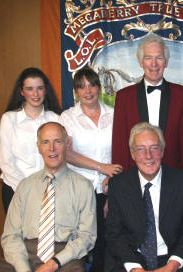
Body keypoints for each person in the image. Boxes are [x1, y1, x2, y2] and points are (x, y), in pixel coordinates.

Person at [0, 122, 96, 272]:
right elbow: (11, 235)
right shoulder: (24, 186)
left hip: (66, 256)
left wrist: (54, 262)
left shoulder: (83, 187)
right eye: (46, 142)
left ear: (66, 144)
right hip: (25, 253)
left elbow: (87, 237)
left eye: (58, 141)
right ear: (39, 147)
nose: (52, 148)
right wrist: (23, 269)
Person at [106, 122, 183, 272]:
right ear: (132, 154)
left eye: (154, 148)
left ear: (162, 151)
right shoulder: (118, 185)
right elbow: (114, 234)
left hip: (172, 257)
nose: (148, 156)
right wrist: (134, 267)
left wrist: (172, 265)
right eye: (141, 149)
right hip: (133, 258)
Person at [59, 66, 122, 272]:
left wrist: (112, 182)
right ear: (76, 91)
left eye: (92, 85)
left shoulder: (114, 114)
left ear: (99, 87)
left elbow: (122, 151)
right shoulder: (67, 117)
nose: (88, 91)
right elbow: (66, 154)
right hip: (79, 189)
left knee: (106, 240)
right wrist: (102, 167)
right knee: (80, 241)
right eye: (82, 87)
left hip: (108, 187)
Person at [112, 34, 183, 175]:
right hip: (134, 176)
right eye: (148, 58)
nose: (154, 64)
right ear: (140, 62)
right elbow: (119, 144)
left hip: (173, 176)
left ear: (166, 62)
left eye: (159, 58)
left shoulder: (182, 95)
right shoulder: (123, 97)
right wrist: (121, 180)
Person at [0, 67, 61, 213]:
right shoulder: (9, 119)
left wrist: (45, 189)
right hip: (16, 190)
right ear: (21, 91)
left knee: (46, 235)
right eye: (30, 89)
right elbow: (6, 162)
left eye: (40, 88)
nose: (35, 94)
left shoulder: (56, 119)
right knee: (20, 236)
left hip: (50, 191)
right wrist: (28, 189)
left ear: (46, 90)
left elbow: (61, 157)